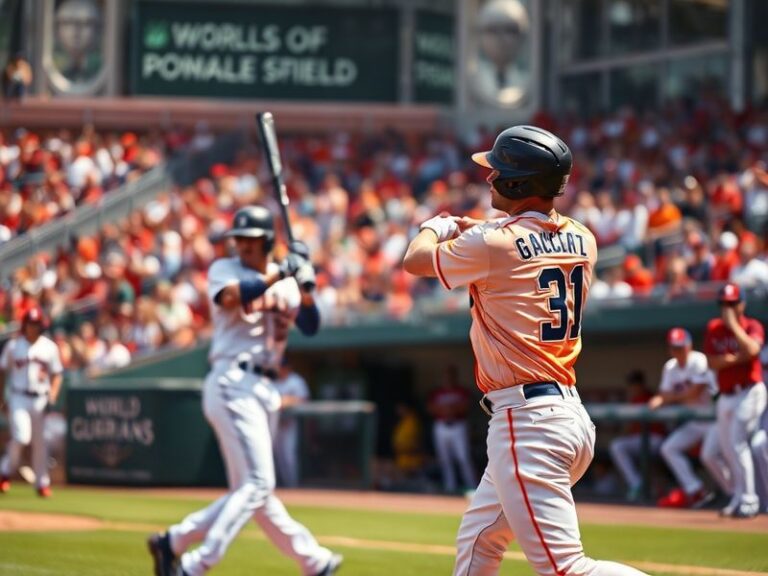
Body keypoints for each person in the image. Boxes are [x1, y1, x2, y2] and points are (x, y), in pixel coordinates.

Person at [403, 125, 648, 576]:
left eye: (498, 172)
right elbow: (521, 244)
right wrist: (482, 229)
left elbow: (416, 260)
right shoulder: (584, 238)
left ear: (517, 183)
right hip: (566, 418)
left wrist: (432, 227)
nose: (490, 178)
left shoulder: (492, 243)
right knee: (479, 540)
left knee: (565, 568)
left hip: (527, 423)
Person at [147, 206, 342, 576]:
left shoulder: (284, 282)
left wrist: (305, 282)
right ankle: (194, 565)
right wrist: (284, 270)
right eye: (238, 239)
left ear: (268, 240)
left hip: (265, 387)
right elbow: (231, 298)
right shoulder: (226, 269)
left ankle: (173, 541)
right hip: (232, 381)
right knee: (257, 483)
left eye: (250, 239)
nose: (241, 246)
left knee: (255, 492)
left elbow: (312, 325)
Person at [704, 282, 767, 518]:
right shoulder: (714, 327)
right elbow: (712, 362)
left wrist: (733, 326)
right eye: (723, 304)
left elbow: (752, 350)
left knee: (738, 442)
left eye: (732, 303)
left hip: (750, 391)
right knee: (727, 447)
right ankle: (739, 496)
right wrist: (735, 359)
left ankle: (750, 500)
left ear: (742, 304)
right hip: (727, 394)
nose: (727, 308)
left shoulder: (752, 325)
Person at [650, 328, 724, 508]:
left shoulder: (698, 360)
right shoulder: (670, 367)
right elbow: (663, 394)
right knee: (669, 448)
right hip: (695, 421)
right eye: (675, 348)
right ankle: (696, 490)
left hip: (715, 418)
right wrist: (661, 399)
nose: (679, 351)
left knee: (710, 456)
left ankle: (735, 492)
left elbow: (694, 392)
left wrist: (668, 398)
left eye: (681, 347)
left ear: (689, 345)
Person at [0, 306, 63, 498]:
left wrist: (53, 393)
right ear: (24, 325)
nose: (33, 327)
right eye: (30, 324)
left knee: (40, 443)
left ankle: (42, 483)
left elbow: (57, 374)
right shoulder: (13, 346)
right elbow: (2, 371)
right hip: (18, 396)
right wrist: (1, 397)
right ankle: (4, 472)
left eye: (36, 324)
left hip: (40, 399)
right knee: (21, 437)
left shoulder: (49, 347)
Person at [608, 370, 664, 502]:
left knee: (618, 446)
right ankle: (637, 483)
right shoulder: (635, 399)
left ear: (641, 384)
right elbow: (629, 427)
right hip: (641, 441)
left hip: (656, 439)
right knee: (617, 446)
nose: (633, 387)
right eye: (631, 384)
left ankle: (638, 484)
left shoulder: (651, 398)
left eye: (635, 384)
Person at [427, 365, 477, 494]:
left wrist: (450, 409)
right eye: (445, 375)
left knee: (463, 457)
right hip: (441, 426)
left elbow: (466, 407)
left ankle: (472, 486)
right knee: (444, 458)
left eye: (450, 375)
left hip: (458, 425)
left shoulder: (462, 391)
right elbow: (431, 408)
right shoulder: (437, 392)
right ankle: (450, 486)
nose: (447, 378)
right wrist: (448, 409)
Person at [272, 359, 310, 488]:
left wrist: (286, 401)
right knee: (278, 456)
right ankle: (283, 486)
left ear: (288, 368)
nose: (280, 370)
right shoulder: (274, 381)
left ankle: (293, 487)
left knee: (289, 456)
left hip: (291, 423)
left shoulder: (296, 381)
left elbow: (304, 399)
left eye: (282, 367)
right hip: (276, 422)